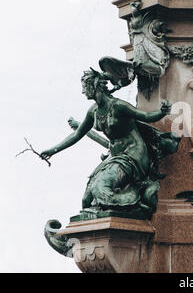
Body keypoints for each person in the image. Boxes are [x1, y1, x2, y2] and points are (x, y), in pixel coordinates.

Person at [41, 69, 179, 214]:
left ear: (93, 85)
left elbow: (146, 116)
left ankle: (136, 205)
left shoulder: (119, 106)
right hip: (114, 157)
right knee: (86, 200)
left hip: (133, 154)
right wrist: (53, 150)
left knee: (100, 187)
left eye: (84, 87)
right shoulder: (93, 111)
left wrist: (162, 111)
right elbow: (77, 135)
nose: (82, 92)